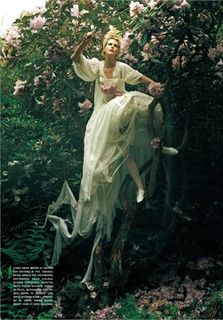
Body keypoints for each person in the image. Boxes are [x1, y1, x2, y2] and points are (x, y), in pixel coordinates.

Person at [44, 28, 178, 283]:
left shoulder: (123, 68)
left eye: (117, 45)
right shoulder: (95, 66)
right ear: (103, 47)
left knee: (132, 105)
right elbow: (75, 60)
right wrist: (84, 41)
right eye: (110, 44)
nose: (114, 47)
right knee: (102, 163)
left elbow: (141, 79)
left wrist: (156, 86)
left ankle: (147, 168)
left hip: (117, 116)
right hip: (100, 121)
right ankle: (95, 201)